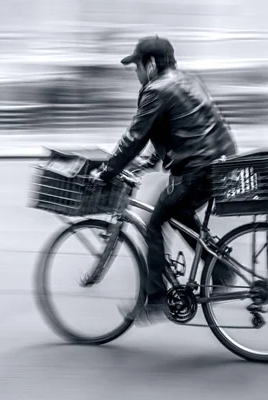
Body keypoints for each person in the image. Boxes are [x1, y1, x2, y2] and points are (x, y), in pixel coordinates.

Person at [93, 35, 239, 325]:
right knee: (179, 212)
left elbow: (135, 136)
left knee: (155, 223)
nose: (136, 73)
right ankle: (220, 269)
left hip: (198, 168)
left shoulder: (157, 89)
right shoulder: (187, 81)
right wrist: (147, 163)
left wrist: (107, 171)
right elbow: (181, 127)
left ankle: (157, 299)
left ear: (150, 64)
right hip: (220, 162)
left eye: (137, 66)